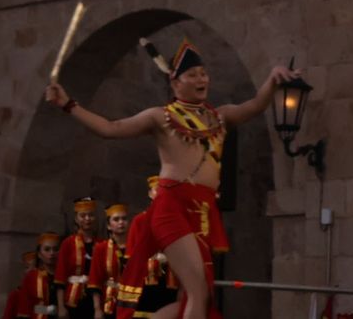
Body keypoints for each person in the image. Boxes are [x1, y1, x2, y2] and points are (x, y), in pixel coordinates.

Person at [45, 41, 298, 319]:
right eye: (192, 75)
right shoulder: (161, 117)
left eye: (203, 73)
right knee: (198, 289)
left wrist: (273, 79)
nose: (201, 79)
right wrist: (68, 105)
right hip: (172, 207)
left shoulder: (220, 116)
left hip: (202, 211)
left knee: (196, 294)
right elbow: (110, 128)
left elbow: (254, 105)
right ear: (175, 83)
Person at [116, 177, 177, 319]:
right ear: (150, 193)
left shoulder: (174, 221)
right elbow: (132, 257)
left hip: (170, 279)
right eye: (157, 191)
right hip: (146, 280)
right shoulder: (140, 220)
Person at [56, 198, 100, 319]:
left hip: (97, 299)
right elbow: (60, 277)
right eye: (83, 215)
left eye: (90, 215)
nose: (87, 219)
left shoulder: (102, 244)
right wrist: (61, 307)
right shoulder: (68, 243)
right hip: (72, 298)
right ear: (76, 218)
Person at [90, 203, 131, 319]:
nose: (121, 222)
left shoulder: (136, 247)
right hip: (109, 302)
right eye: (116, 219)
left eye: (124, 219)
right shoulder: (101, 248)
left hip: (132, 301)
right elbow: (95, 281)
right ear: (109, 225)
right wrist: (97, 309)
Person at [21, 235, 61, 318]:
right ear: (39, 254)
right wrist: (52, 310)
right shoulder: (32, 276)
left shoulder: (65, 275)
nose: (52, 253)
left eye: (55, 249)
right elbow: (27, 308)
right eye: (47, 249)